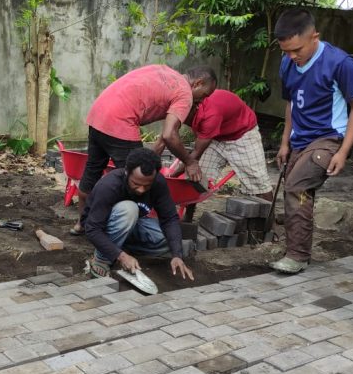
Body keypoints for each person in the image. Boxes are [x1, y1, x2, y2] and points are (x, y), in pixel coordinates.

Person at [270, 8, 353, 274]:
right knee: (295, 190)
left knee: (297, 187)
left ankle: (297, 256)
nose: (291, 57)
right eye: (286, 51)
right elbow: (291, 104)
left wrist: (344, 151)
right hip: (299, 140)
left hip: (328, 138)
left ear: (315, 37)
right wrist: (285, 142)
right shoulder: (287, 62)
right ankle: (297, 250)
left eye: (296, 50)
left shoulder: (339, 63)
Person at [71, 64, 217, 235]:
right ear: (198, 83)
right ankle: (118, 232)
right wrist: (190, 161)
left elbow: (166, 135)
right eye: (205, 95)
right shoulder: (185, 93)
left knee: (92, 171)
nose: (202, 101)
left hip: (98, 114)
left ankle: (82, 224)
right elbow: (170, 134)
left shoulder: (166, 72)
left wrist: (151, 155)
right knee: (135, 183)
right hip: (121, 121)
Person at [82, 147, 193, 281]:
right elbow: (92, 229)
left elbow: (169, 219)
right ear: (127, 172)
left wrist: (177, 255)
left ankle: (120, 247)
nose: (141, 190)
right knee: (129, 209)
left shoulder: (158, 182)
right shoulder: (110, 185)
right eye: (136, 184)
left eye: (147, 186)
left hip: (133, 224)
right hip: (102, 227)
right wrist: (122, 257)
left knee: (170, 241)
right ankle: (101, 258)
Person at [167, 89, 274, 201]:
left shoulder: (210, 114)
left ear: (194, 108)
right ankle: (188, 217)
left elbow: (195, 156)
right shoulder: (187, 105)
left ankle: (269, 218)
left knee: (258, 182)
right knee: (196, 177)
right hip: (216, 136)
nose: (182, 121)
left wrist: (172, 177)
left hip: (243, 135)